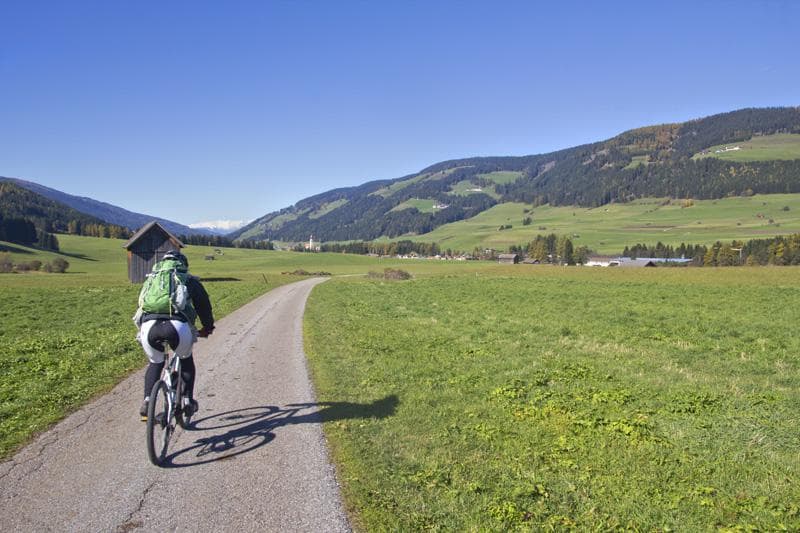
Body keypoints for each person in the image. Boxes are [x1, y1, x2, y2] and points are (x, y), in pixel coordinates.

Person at [135, 250, 215, 420]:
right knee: (186, 359)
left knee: (155, 362)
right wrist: (207, 327)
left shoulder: (152, 279)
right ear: (183, 265)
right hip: (177, 326)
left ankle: (148, 400)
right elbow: (203, 306)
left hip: (149, 326)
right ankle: (187, 401)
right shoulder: (188, 279)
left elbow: (142, 304)